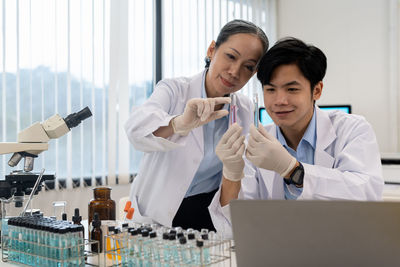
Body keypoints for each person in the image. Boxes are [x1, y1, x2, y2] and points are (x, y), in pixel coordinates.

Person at [210, 37, 384, 237]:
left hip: (340, 249)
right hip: (277, 251)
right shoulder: (254, 143)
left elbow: (366, 196)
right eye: (270, 89)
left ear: (316, 90)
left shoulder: (352, 130)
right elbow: (232, 228)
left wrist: (293, 170)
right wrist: (231, 175)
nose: (280, 101)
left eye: (292, 89)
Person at [125, 20, 269, 231]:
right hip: (157, 213)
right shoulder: (174, 90)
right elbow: (136, 128)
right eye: (230, 56)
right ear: (212, 50)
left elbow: (244, 179)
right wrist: (179, 124)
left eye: (248, 66)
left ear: (254, 72)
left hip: (208, 215)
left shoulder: (246, 111)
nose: (235, 72)